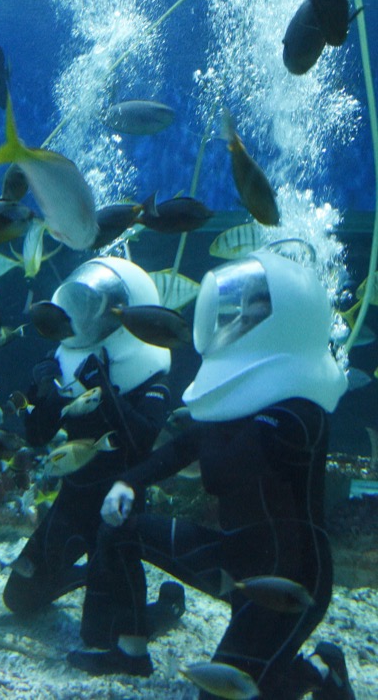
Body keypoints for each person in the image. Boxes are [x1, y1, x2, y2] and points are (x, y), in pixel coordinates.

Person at [90, 247, 354, 699]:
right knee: (119, 531)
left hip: (288, 583)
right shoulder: (245, 403)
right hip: (234, 559)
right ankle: (129, 650)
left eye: (255, 316)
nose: (238, 325)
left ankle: (320, 675)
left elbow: (220, 474)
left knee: (223, 693)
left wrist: (208, 408)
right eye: (241, 313)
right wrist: (127, 481)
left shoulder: (299, 412)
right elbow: (182, 447)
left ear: (285, 326)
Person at [2, 256, 181, 673]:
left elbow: (140, 444)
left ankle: (168, 609)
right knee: (18, 600)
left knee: (99, 635)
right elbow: (36, 435)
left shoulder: (150, 370)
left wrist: (106, 387)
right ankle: (81, 576)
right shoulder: (69, 359)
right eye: (82, 308)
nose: (86, 318)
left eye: (96, 309)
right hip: (71, 502)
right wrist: (44, 392)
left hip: (115, 513)